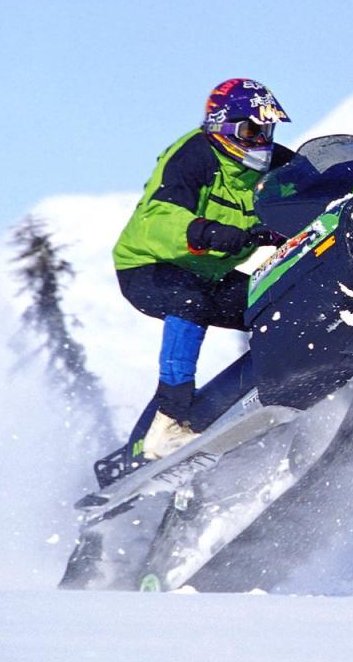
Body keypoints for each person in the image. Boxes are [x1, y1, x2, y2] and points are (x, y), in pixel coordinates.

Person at [112, 78, 293, 460]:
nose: (261, 140)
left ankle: (272, 389)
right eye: (251, 130)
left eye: (267, 130)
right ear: (223, 128)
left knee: (278, 308)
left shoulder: (273, 165)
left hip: (209, 274)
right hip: (149, 266)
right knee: (190, 302)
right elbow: (157, 218)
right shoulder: (194, 156)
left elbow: (314, 186)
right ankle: (168, 424)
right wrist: (207, 232)